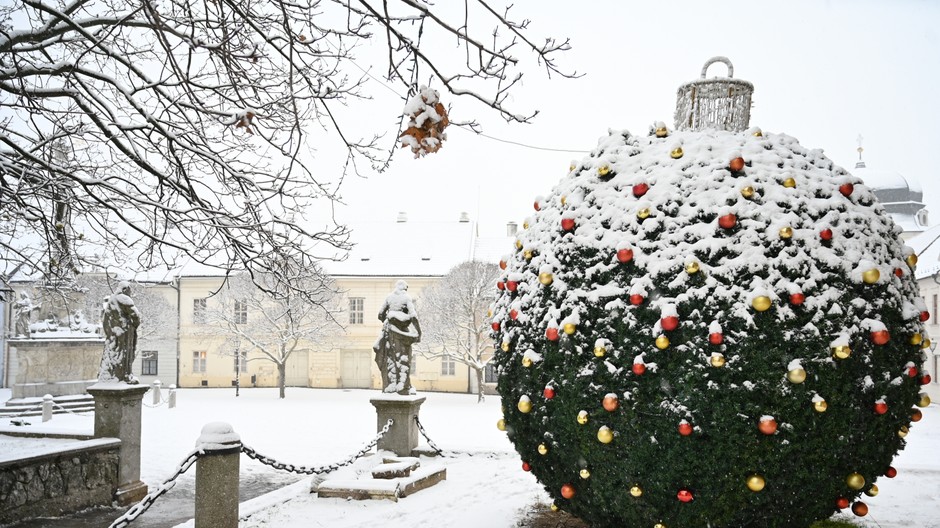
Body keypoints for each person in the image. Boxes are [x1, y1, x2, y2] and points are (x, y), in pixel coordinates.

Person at [373, 280, 421, 395]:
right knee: (403, 359)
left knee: (390, 359)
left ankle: (391, 384)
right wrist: (419, 331)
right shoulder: (406, 298)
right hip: (402, 334)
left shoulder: (389, 298)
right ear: (405, 288)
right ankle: (403, 386)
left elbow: (380, 314)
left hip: (389, 333)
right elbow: (413, 316)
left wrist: (387, 320)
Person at [99, 282, 141, 383]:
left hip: (113, 333)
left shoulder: (111, 301)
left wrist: (109, 333)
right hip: (125, 332)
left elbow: (105, 320)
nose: (130, 293)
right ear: (125, 289)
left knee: (113, 353)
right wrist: (134, 325)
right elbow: (135, 315)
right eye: (129, 291)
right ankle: (125, 375)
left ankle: (113, 374)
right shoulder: (124, 298)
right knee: (125, 354)